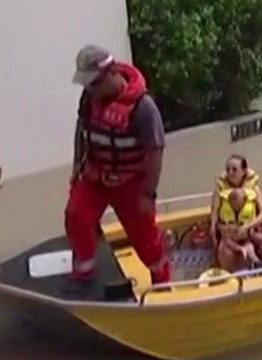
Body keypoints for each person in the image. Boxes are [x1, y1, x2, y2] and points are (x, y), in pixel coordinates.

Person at [65, 44, 170, 284]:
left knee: (145, 236)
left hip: (130, 182)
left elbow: (155, 151)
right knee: (75, 215)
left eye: (93, 83)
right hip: (96, 175)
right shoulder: (89, 99)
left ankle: (162, 281)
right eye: (86, 84)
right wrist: (76, 167)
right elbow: (81, 131)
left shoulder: (143, 107)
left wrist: (148, 194)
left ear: (111, 72)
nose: (89, 89)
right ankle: (85, 269)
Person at [210, 155, 262, 271]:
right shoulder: (220, 191)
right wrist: (220, 228)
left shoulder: (254, 189)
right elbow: (214, 217)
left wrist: (247, 226)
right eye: (228, 170)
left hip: (248, 235)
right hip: (229, 236)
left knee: (258, 246)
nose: (230, 173)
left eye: (234, 169)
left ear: (244, 171)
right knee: (225, 252)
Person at [216, 188, 262, 272]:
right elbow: (217, 225)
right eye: (233, 205)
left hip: (246, 237)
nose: (236, 207)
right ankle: (240, 250)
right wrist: (227, 228)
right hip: (230, 238)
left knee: (251, 247)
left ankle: (260, 264)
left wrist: (247, 226)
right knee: (227, 243)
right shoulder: (223, 207)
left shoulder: (252, 202)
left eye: (239, 205)